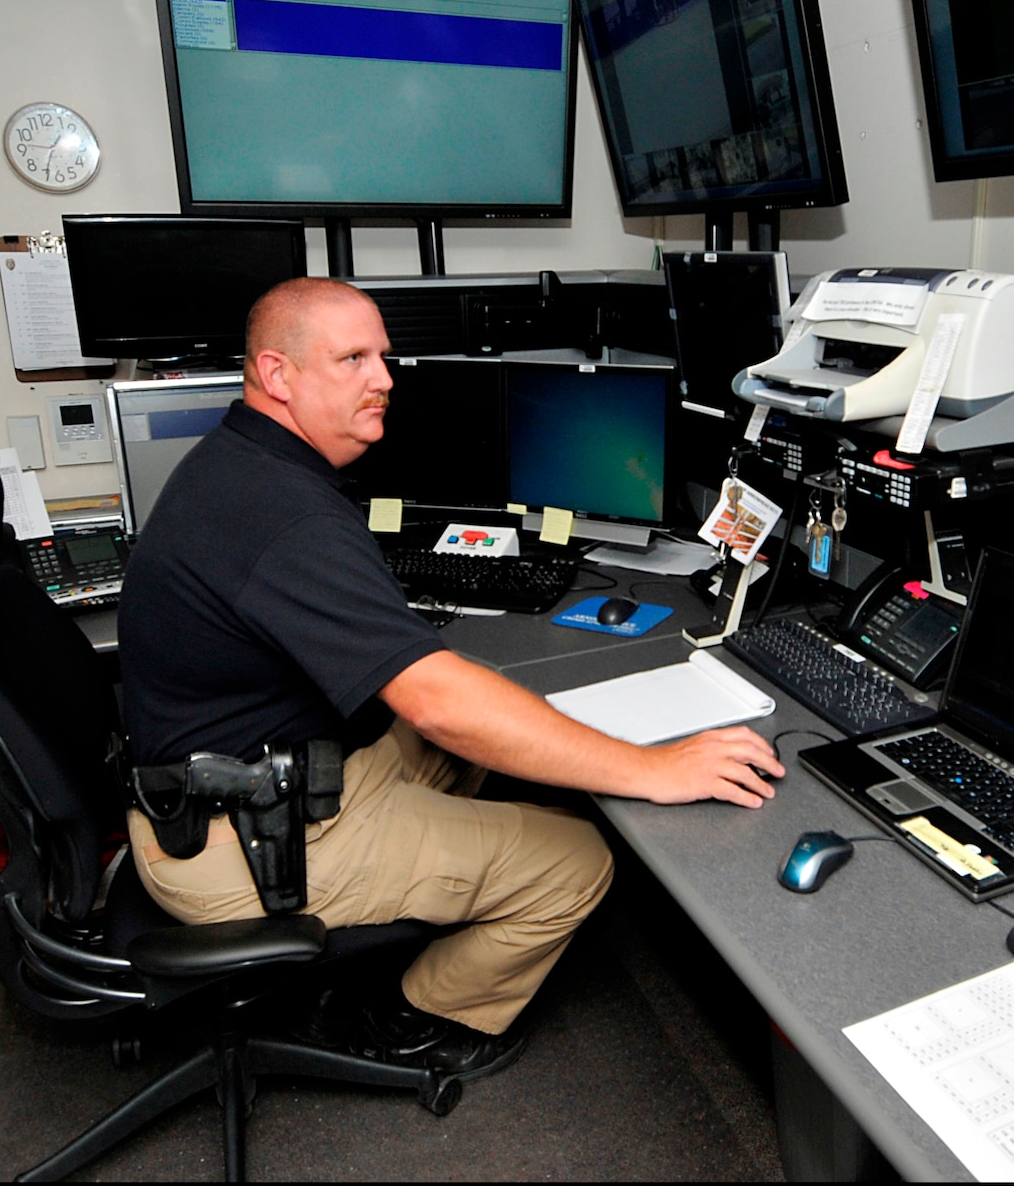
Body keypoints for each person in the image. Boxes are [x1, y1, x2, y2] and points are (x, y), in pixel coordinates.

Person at [117, 277, 783, 1080]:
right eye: (354, 358)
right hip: (243, 844)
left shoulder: (243, 465)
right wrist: (651, 767)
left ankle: (438, 868)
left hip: (248, 781)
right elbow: (436, 701)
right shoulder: (283, 514)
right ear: (277, 374)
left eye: (384, 356)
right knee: (576, 860)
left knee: (496, 726)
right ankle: (410, 1014)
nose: (385, 378)